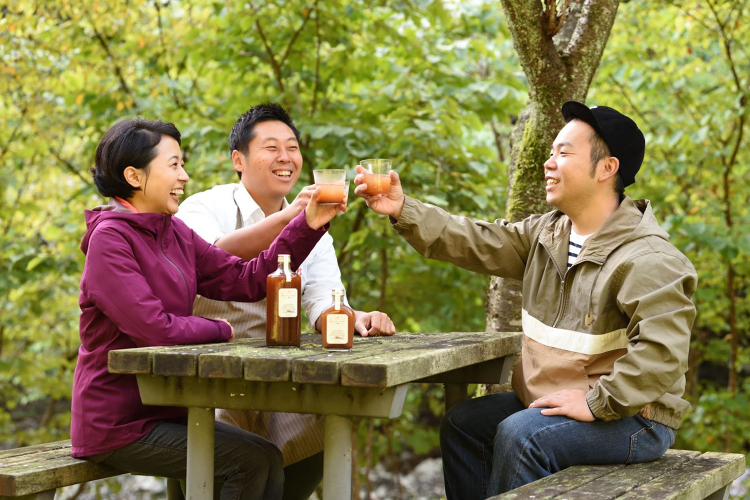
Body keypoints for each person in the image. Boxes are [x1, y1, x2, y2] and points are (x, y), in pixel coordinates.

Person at [354, 102, 697, 499]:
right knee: (463, 424)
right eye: (550, 152)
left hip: (634, 415)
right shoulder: (546, 235)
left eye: (564, 153)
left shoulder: (648, 258)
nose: (549, 163)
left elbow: (662, 354)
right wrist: (402, 209)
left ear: (607, 169)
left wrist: (598, 402)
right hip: (555, 399)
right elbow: (476, 240)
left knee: (522, 435)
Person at [71, 117, 344, 500]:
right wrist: (221, 329)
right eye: (174, 165)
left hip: (168, 410)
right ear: (134, 176)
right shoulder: (110, 239)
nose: (184, 176)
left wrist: (309, 225)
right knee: (245, 462)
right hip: (120, 423)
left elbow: (248, 278)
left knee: (267, 455)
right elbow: (156, 329)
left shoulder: (173, 232)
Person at [176, 102, 396, 499]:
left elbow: (321, 304)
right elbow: (211, 259)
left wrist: (354, 317)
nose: (285, 158)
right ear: (238, 159)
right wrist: (292, 221)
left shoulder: (316, 230)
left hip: (281, 378)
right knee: (228, 455)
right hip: (208, 377)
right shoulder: (205, 207)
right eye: (271, 147)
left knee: (325, 425)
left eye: (292, 148)